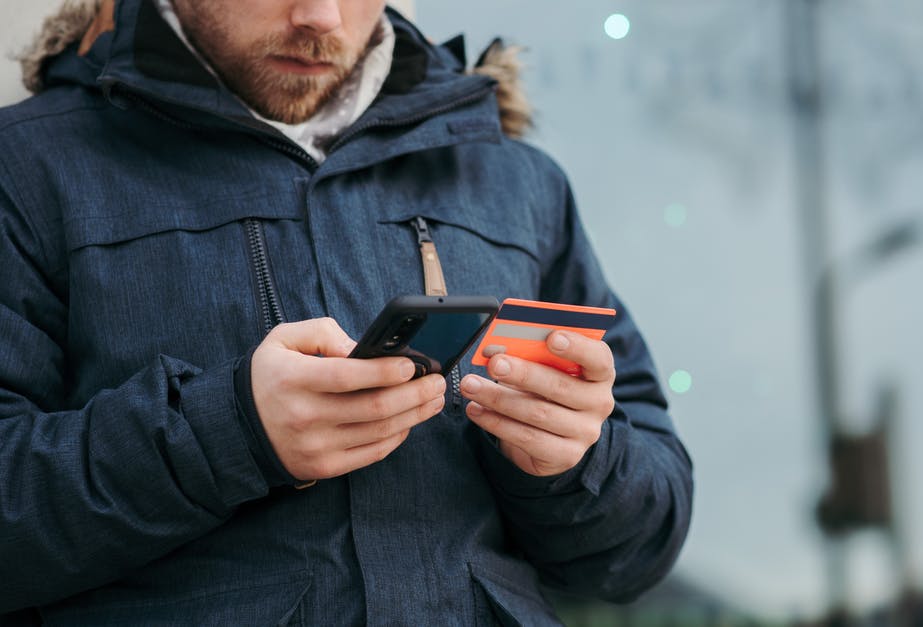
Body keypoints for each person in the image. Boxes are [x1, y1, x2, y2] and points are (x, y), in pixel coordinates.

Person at [0, 0, 693, 623]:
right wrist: (230, 434)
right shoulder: (26, 167)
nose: (321, 16)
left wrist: (572, 460)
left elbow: (639, 551)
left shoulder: (514, 181)